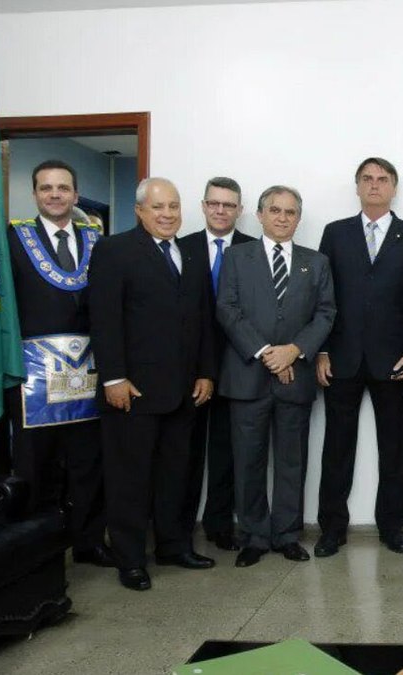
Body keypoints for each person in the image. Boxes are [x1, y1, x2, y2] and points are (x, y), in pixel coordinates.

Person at [89, 177, 217, 591]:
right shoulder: (114, 250)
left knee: (174, 475)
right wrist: (114, 377)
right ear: (140, 211)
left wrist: (205, 372)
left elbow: (201, 320)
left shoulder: (192, 255)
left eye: (174, 207)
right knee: (131, 478)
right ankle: (129, 558)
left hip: (183, 390)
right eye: (159, 207)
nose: (167, 215)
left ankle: (173, 546)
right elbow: (104, 319)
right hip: (133, 390)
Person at [314, 157, 403, 557]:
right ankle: (331, 529)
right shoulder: (335, 233)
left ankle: (391, 527)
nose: (375, 185)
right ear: (357, 186)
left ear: (394, 187)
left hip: (392, 360)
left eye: (382, 180)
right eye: (367, 179)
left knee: (393, 448)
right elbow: (322, 297)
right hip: (341, 358)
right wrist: (322, 350)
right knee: (336, 448)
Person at [216, 186, 336, 567]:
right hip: (248, 375)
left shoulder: (315, 262)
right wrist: (267, 353)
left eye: (290, 212)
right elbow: (227, 309)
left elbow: (325, 313)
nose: (282, 218)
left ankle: (286, 534)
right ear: (260, 214)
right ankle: (254, 534)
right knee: (248, 461)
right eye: (275, 210)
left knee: (291, 461)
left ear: (298, 218)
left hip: (295, 377)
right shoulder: (237, 257)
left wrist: (293, 351)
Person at [6, 159, 111, 567]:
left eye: (63, 188)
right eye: (46, 188)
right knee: (36, 463)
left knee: (89, 462)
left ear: (75, 194)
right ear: (34, 194)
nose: (54, 194)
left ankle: (88, 542)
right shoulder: (13, 239)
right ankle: (34, 549)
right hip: (33, 372)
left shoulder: (96, 239)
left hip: (87, 367)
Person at [178, 177, 255, 552]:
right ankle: (178, 526)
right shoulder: (180, 247)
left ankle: (220, 523)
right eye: (214, 203)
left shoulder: (254, 250)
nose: (221, 211)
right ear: (204, 206)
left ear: (240, 210)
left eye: (229, 205)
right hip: (188, 367)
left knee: (227, 451)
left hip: (238, 364)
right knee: (186, 451)